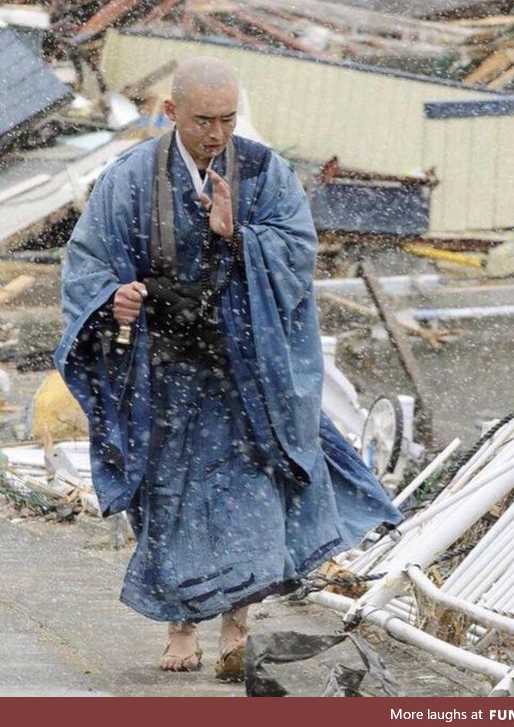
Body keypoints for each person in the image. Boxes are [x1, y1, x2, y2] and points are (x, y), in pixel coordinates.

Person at [55, 56, 402, 681]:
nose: (217, 134)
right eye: (203, 121)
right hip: (165, 364)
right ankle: (180, 624)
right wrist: (116, 296)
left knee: (252, 494)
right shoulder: (130, 177)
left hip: (246, 362)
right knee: (169, 494)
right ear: (171, 113)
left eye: (228, 119)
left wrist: (237, 232)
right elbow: (89, 262)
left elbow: (297, 253)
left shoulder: (264, 172)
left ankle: (236, 626)